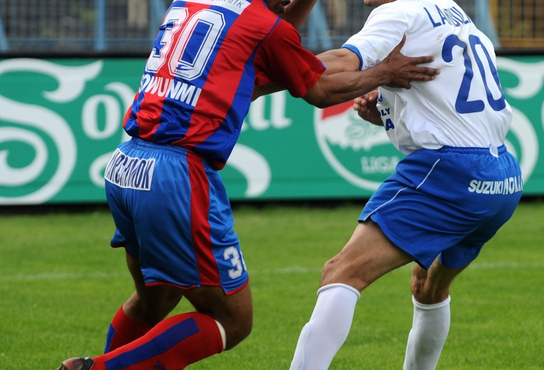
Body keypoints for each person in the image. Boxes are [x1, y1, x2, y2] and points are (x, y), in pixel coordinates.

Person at [55, 0, 438, 369]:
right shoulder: (264, 26)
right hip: (176, 175)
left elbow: (268, 39)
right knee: (232, 320)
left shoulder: (190, 3)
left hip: (128, 163)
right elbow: (321, 90)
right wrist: (386, 72)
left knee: (155, 295)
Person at [287, 0, 523, 369]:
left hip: (451, 173)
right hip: (502, 177)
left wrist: (272, 62)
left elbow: (342, 64)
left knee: (342, 273)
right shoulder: (456, 14)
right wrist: (384, 112)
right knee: (428, 288)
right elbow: (452, 107)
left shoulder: (398, 13)